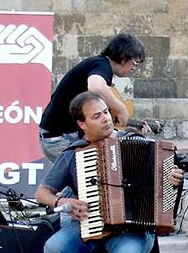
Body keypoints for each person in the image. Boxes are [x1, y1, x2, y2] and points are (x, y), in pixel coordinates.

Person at [35, 91, 183, 253]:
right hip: (90, 226)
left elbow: (166, 189)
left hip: (134, 231)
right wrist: (64, 204)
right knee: (53, 249)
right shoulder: (74, 153)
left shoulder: (137, 142)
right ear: (82, 125)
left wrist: (171, 181)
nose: (106, 118)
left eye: (105, 112)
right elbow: (43, 193)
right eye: (97, 116)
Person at [38, 33, 145, 162]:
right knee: (86, 178)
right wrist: (121, 109)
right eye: (135, 63)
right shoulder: (102, 66)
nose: (134, 68)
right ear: (123, 57)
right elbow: (96, 86)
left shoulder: (98, 65)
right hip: (60, 138)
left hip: (65, 135)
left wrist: (129, 130)